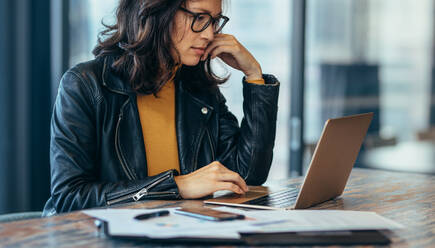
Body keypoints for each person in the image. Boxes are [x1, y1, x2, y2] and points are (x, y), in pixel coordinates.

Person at [43, 0, 280, 216]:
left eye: (215, 21)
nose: (209, 34)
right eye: (198, 18)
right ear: (156, 12)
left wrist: (254, 76)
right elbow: (69, 197)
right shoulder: (85, 84)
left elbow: (247, 176)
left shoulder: (199, 90)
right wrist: (177, 186)